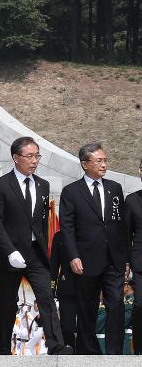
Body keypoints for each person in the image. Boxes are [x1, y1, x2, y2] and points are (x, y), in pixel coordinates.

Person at [0, 136, 72, 355]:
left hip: (35, 254)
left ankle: (56, 345)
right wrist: (9, 251)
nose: (35, 161)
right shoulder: (0, 185)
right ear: (16, 158)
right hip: (10, 255)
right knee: (6, 304)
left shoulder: (42, 185)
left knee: (46, 297)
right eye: (30, 156)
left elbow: (42, 222)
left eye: (37, 156)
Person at [59, 142, 129, 354]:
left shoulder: (114, 188)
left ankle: (114, 353)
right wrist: (73, 256)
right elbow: (67, 228)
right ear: (84, 164)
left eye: (105, 160)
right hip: (86, 260)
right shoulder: (71, 192)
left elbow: (121, 226)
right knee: (87, 308)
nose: (104, 165)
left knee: (116, 305)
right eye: (99, 161)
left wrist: (125, 259)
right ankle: (89, 354)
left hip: (113, 260)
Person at [49, 230, 77, 348]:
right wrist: (51, 289)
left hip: (87, 286)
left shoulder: (86, 231)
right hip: (66, 287)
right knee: (66, 326)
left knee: (86, 324)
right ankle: (68, 350)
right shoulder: (59, 237)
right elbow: (54, 265)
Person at [126, 158, 142, 353]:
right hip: (140, 263)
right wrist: (126, 262)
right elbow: (125, 235)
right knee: (139, 305)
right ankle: (138, 349)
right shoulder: (131, 201)